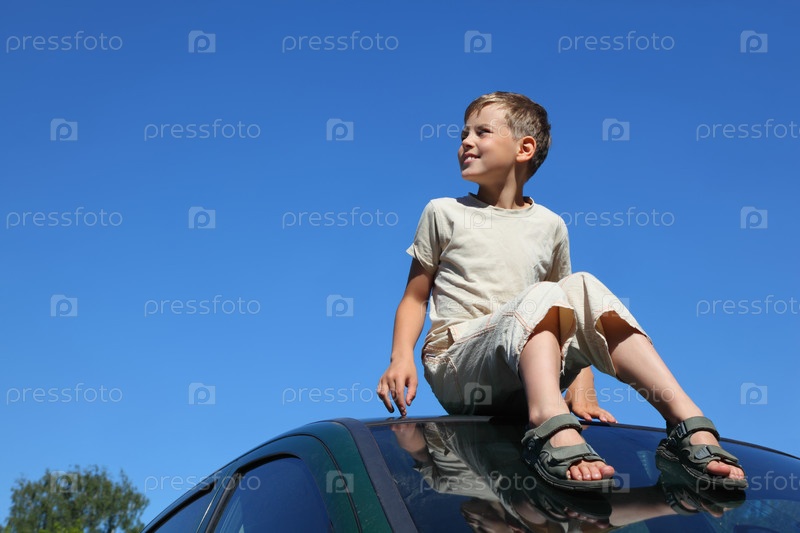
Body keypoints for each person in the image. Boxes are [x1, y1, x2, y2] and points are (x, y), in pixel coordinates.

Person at [376, 91, 747, 491]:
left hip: (525, 375)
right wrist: (401, 357)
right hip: (461, 366)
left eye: (481, 132)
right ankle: (548, 422)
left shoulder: (550, 225)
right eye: (463, 134)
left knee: (579, 285)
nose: (466, 141)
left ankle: (685, 420)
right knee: (545, 294)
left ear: (524, 148)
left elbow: (566, 314)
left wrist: (583, 390)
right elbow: (415, 297)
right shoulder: (444, 211)